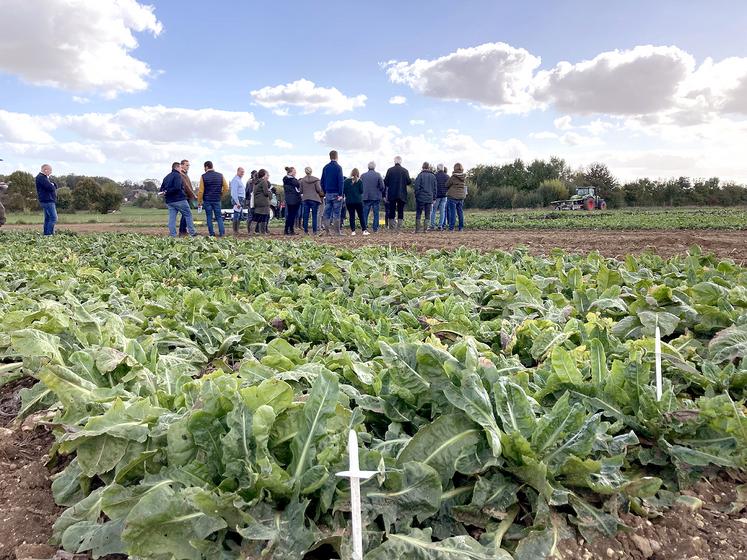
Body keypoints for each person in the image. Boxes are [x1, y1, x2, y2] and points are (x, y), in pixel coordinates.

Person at [161, 161, 196, 237]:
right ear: (176, 167)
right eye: (180, 167)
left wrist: (166, 192)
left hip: (169, 201)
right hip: (179, 199)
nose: (181, 169)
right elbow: (177, 188)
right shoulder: (178, 175)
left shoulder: (166, 177)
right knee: (188, 215)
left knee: (172, 218)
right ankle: (192, 233)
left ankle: (173, 235)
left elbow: (162, 190)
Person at [197, 161, 229, 237]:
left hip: (207, 200)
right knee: (219, 217)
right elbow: (226, 187)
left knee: (209, 217)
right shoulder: (220, 175)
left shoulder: (203, 176)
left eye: (204, 167)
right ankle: (222, 233)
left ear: (206, 167)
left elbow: (201, 191)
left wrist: (199, 201)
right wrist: (221, 195)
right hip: (217, 199)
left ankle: (211, 234)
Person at [320, 150, 344, 236]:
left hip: (328, 193)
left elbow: (322, 181)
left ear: (329, 157)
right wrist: (341, 194)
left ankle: (327, 231)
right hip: (337, 193)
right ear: (337, 156)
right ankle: (337, 232)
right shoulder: (338, 168)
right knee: (336, 213)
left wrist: (325, 190)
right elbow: (341, 182)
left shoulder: (325, 167)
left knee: (327, 213)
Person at [384, 156, 411, 233]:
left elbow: (386, 182)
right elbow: (409, 182)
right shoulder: (405, 171)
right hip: (402, 193)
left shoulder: (390, 170)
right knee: (400, 210)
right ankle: (399, 228)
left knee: (391, 210)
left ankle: (392, 227)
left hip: (392, 193)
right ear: (400, 162)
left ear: (394, 161)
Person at [361, 161, 385, 233]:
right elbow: (382, 186)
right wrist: (380, 191)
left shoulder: (363, 175)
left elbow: (360, 186)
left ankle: (364, 228)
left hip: (366, 197)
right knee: (376, 213)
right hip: (376, 197)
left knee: (365, 213)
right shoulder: (378, 175)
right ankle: (375, 228)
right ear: (374, 167)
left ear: (368, 167)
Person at [35, 164, 58, 235]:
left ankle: (46, 234)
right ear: (45, 170)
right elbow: (51, 188)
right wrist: (52, 185)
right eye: (50, 170)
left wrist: (52, 185)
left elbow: (55, 185)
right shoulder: (41, 177)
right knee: (54, 218)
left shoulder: (44, 178)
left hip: (47, 200)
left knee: (48, 218)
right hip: (47, 200)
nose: (51, 172)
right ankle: (49, 234)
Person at [414, 161, 437, 233]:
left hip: (420, 198)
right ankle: (425, 229)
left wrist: (417, 195)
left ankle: (417, 229)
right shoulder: (433, 176)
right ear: (429, 167)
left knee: (418, 213)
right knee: (427, 214)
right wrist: (434, 198)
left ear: (422, 167)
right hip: (429, 198)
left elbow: (416, 187)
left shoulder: (420, 175)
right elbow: (435, 188)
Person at [299, 167, 323, 234]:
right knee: (314, 215)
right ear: (311, 171)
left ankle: (306, 231)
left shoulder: (302, 180)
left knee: (305, 215)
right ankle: (314, 231)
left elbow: (300, 191)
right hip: (314, 199)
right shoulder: (316, 180)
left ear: (305, 172)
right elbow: (318, 189)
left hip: (306, 198)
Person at [343, 168, 366, 236]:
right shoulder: (359, 181)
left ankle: (353, 231)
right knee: (361, 215)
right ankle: (364, 230)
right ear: (358, 173)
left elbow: (344, 191)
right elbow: (361, 191)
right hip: (358, 201)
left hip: (349, 201)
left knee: (351, 216)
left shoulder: (346, 181)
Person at [446, 163, 467, 232]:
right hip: (461, 197)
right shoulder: (464, 177)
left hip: (453, 196)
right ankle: (461, 228)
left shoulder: (453, 177)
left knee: (453, 213)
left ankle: (452, 228)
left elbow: (447, 184)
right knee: (460, 212)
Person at [178, 159, 197, 236]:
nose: (188, 167)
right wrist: (193, 195)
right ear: (181, 165)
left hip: (187, 196)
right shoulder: (181, 174)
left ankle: (183, 230)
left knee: (185, 214)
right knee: (186, 214)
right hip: (185, 196)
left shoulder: (185, 174)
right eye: (186, 165)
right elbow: (186, 186)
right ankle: (183, 230)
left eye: (188, 165)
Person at [283, 166, 302, 235]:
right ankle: (291, 229)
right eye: (294, 172)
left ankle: (286, 229)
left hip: (288, 199)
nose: (295, 173)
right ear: (291, 172)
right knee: (292, 215)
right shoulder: (294, 181)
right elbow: (298, 189)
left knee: (289, 215)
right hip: (295, 199)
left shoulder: (285, 179)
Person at [251, 169, 271, 235]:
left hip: (257, 202)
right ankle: (263, 232)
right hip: (264, 202)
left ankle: (252, 231)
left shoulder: (256, 182)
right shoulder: (264, 182)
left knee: (256, 216)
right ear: (264, 175)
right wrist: (270, 192)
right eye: (267, 175)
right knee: (264, 216)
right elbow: (265, 193)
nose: (268, 176)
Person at [431, 163, 449, 230]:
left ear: (437, 169)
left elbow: (433, 186)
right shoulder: (447, 176)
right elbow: (448, 186)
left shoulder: (434, 176)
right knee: (442, 211)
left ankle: (432, 225)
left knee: (433, 211)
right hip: (444, 196)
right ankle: (440, 226)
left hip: (436, 196)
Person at [230, 167, 246, 236]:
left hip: (240, 199)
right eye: (241, 171)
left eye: (243, 172)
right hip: (238, 199)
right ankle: (235, 230)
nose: (243, 173)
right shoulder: (235, 180)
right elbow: (234, 192)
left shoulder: (239, 180)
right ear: (237, 171)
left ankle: (237, 230)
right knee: (236, 214)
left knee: (239, 215)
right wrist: (237, 202)